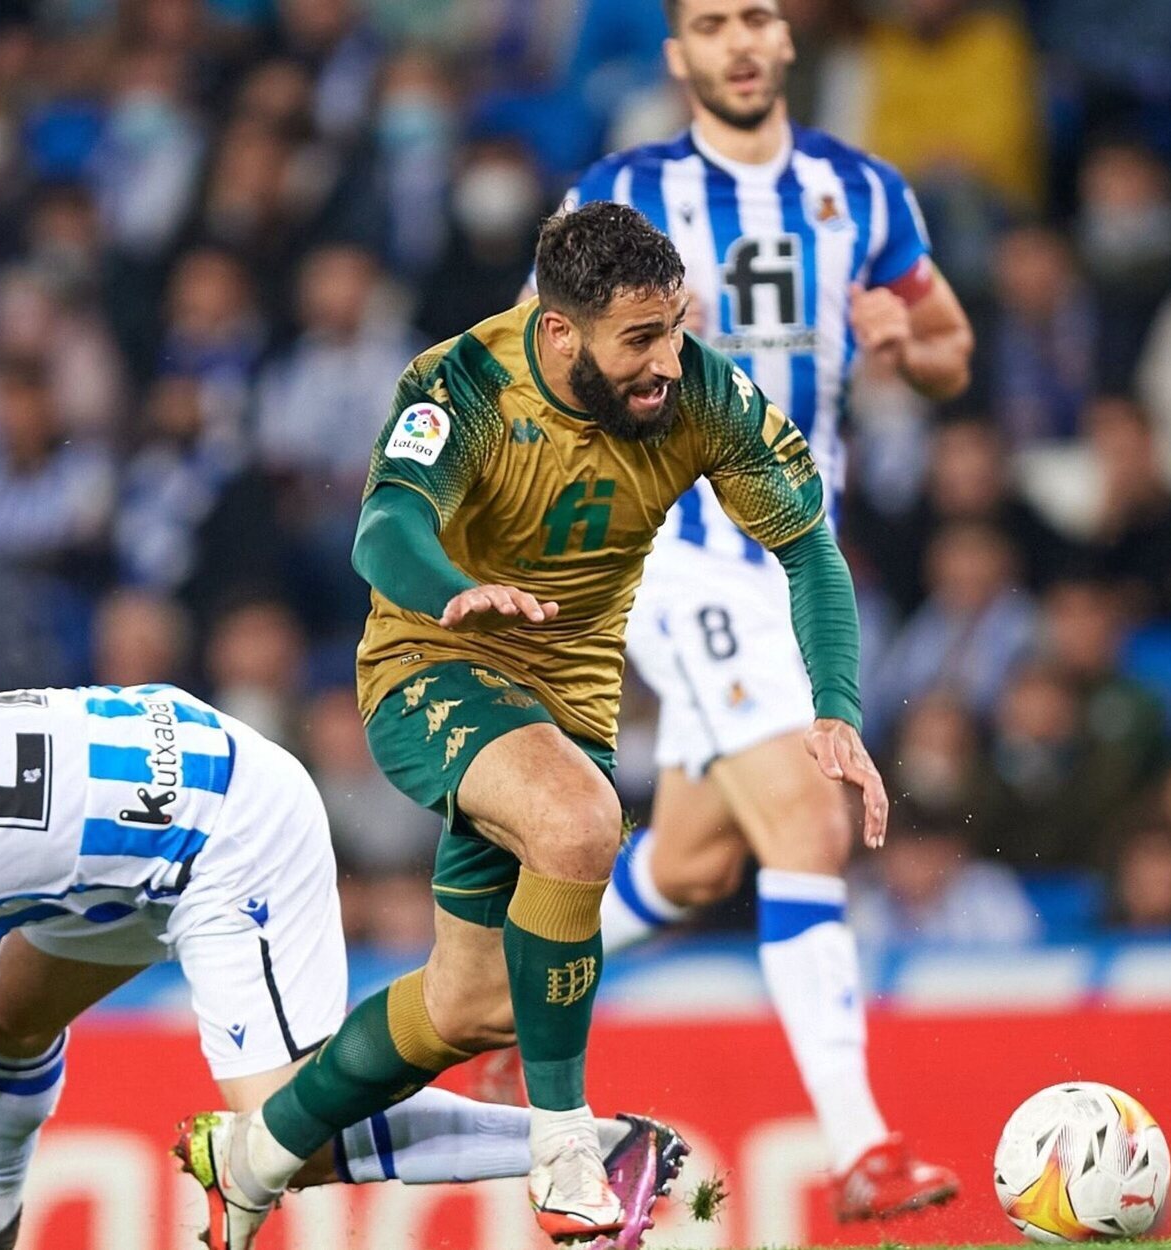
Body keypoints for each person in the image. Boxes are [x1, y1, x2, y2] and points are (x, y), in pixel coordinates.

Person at [178, 200, 881, 1249]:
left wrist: (835, 707)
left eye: (673, 327)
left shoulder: (703, 392)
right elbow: (384, 527)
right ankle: (566, 1152)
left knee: (474, 1006)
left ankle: (255, 1155)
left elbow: (808, 548)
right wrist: (453, 589)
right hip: (434, 663)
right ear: (559, 333)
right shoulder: (461, 383)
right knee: (579, 821)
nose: (665, 360)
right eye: (637, 339)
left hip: (568, 704)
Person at [0, 688, 684, 1250]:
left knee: (288, 1137)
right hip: (137, 810)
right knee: (9, 1013)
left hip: (222, 834)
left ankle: (601, 1152)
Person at [560, 0, 971, 1219]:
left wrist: (905, 345)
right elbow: (540, 366)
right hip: (674, 552)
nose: (737, 41)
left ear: (785, 40)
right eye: (709, 23)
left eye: (754, 17)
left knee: (691, 864)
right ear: (676, 54)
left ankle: (503, 994)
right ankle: (860, 1145)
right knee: (806, 813)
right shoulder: (621, 193)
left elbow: (951, 348)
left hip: (793, 564)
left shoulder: (862, 192)